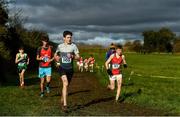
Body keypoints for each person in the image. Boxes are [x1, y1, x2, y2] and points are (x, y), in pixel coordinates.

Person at [54, 31, 80, 111]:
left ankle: (63, 97)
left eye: (70, 37)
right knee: (65, 83)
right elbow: (55, 55)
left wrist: (72, 56)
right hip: (62, 68)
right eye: (68, 37)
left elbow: (78, 57)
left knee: (66, 85)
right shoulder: (60, 46)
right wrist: (56, 58)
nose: (69, 39)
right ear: (64, 38)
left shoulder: (73, 46)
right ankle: (65, 105)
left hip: (70, 69)